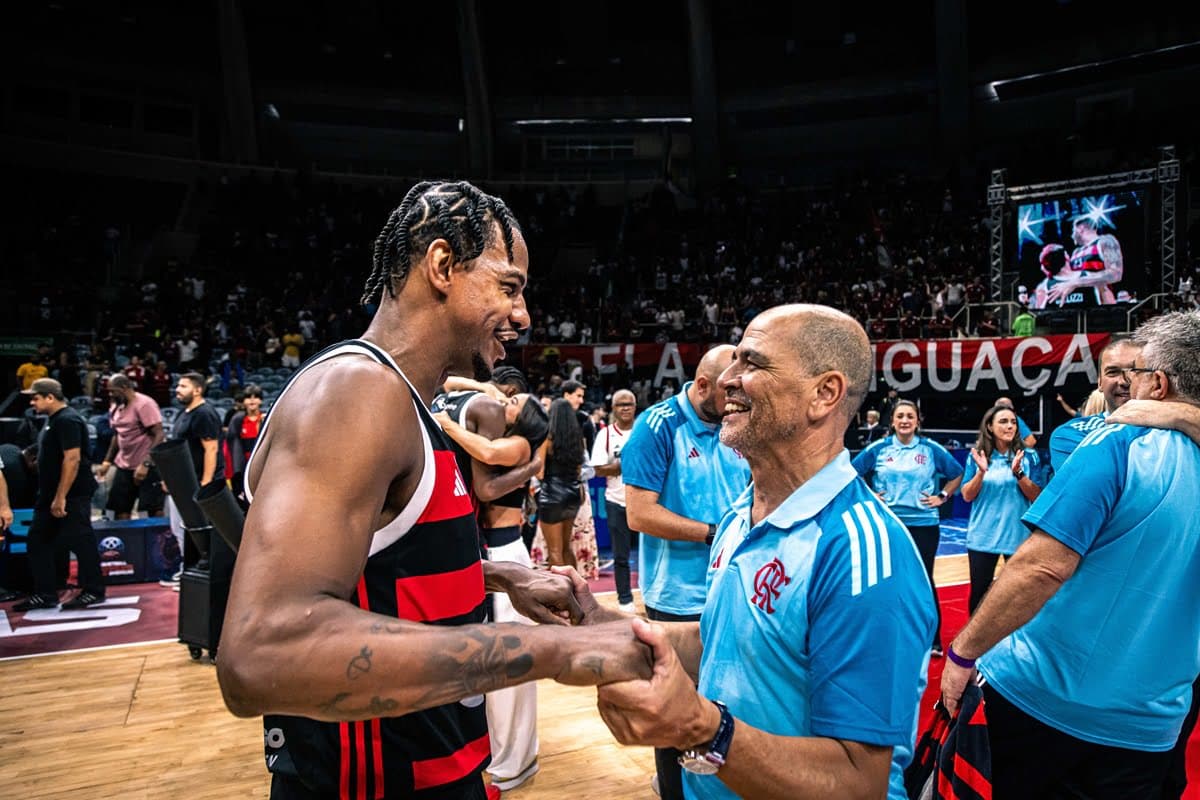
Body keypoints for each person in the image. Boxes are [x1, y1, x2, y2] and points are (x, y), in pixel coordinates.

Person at [215, 180, 650, 800]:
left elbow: (379, 569)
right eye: (509, 287)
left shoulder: (410, 403)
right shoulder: (355, 393)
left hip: (440, 769)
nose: (524, 315)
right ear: (442, 266)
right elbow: (260, 654)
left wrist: (497, 578)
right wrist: (553, 649)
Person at [584, 304, 937, 800]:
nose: (727, 378)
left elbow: (860, 783)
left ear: (824, 394)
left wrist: (704, 730)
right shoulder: (738, 515)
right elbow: (725, 642)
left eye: (752, 363)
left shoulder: (863, 554)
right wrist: (599, 627)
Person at [940, 311, 1200, 799]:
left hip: (1045, 701)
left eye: (1138, 373)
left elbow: (1043, 565)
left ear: (1159, 383)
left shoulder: (1121, 442)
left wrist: (962, 650)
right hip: (1152, 720)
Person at [620, 344, 751, 800]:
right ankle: (673, 789)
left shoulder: (737, 425)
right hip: (676, 594)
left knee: (726, 702)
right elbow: (639, 514)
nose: (737, 396)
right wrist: (714, 533)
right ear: (700, 385)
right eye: (728, 389)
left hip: (733, 587)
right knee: (674, 709)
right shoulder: (656, 427)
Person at [432, 379, 549, 792]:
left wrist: (448, 425)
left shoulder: (518, 446)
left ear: (524, 417)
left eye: (513, 400)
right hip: (494, 553)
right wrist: (481, 384)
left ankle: (513, 762)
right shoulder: (512, 435)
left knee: (511, 665)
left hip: (507, 555)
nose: (504, 400)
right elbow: (453, 382)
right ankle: (506, 756)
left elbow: (483, 472)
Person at [852, 399, 963, 656]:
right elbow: (851, 472)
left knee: (922, 581)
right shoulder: (878, 448)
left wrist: (943, 497)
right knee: (885, 579)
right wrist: (869, 495)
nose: (904, 420)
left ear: (917, 421)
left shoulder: (930, 449)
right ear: (892, 421)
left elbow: (956, 473)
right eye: (900, 416)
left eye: (909, 416)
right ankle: (885, 635)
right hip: (888, 523)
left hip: (924, 523)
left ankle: (932, 639)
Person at [12, 379, 105, 611]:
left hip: (71, 494)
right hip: (50, 493)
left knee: (81, 541)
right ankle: (46, 593)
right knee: (37, 541)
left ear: (50, 397)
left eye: (35, 398)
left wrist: (61, 495)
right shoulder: (53, 421)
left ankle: (94, 591)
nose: (32, 402)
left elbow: (72, 459)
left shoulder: (68, 420)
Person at [960, 405, 1044, 613]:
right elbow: (967, 495)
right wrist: (980, 473)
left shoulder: (1029, 456)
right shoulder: (977, 456)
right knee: (979, 594)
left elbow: (1036, 496)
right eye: (1003, 422)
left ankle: (1017, 644)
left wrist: (1019, 473)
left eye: (1013, 422)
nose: (1009, 426)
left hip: (1018, 538)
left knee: (1019, 596)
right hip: (983, 537)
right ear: (989, 427)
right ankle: (974, 645)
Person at [1047, 338, 1140, 471]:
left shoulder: (1173, 426)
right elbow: (1090, 487)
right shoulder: (1072, 434)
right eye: (1113, 372)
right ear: (1100, 383)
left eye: (1135, 371)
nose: (1124, 382)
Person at [590, 389, 638, 613]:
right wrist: (625, 464)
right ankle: (625, 598)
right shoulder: (606, 435)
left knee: (653, 553)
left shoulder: (644, 431)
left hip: (646, 502)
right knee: (621, 555)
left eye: (629, 403)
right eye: (621, 404)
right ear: (614, 409)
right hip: (616, 501)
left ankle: (649, 592)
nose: (626, 407)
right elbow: (598, 469)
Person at [97, 373, 165, 520]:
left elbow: (159, 434)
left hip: (147, 464)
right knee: (116, 509)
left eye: (113, 390)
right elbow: (117, 434)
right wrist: (107, 461)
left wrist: (146, 464)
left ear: (125, 388)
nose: (110, 394)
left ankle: (153, 542)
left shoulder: (144, 404)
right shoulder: (116, 404)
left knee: (148, 511)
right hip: (124, 464)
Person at [534, 398, 586, 569]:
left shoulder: (547, 438)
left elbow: (539, 472)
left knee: (554, 552)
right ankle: (574, 589)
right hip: (573, 492)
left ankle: (561, 595)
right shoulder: (578, 439)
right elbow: (579, 470)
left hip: (552, 495)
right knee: (566, 547)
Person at [222, 384, 264, 503]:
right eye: (248, 397)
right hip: (243, 463)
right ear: (243, 401)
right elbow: (231, 445)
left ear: (260, 400)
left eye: (256, 397)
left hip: (261, 462)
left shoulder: (265, 418)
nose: (252, 400)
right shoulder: (237, 419)